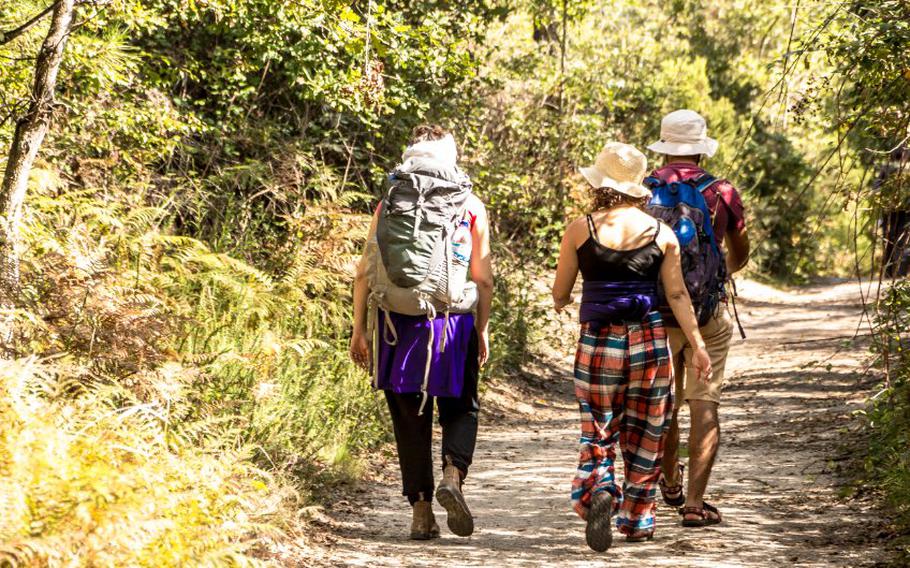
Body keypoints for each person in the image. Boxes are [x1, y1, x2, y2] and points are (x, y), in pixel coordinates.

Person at [553, 141, 712, 551]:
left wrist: (563, 300)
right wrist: (697, 345)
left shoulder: (579, 229)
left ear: (600, 183)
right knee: (647, 429)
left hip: (599, 341)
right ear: (637, 186)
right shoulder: (661, 232)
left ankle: (601, 487)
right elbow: (677, 296)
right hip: (648, 340)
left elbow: (561, 291)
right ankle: (638, 518)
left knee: (598, 423)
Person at [350, 124, 493, 540]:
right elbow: (483, 279)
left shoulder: (390, 200)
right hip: (451, 323)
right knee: (461, 406)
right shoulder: (469, 203)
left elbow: (364, 270)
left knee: (408, 419)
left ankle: (420, 512)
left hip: (397, 324)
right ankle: (452, 475)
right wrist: (481, 329)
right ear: (450, 155)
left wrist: (359, 329)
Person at [645, 109, 750, 528]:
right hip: (707, 314)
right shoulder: (722, 192)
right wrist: (717, 271)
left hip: (657, 314)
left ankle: (669, 481)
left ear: (665, 146)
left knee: (665, 404)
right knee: (704, 405)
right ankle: (693, 504)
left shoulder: (643, 189)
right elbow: (740, 253)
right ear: (703, 149)